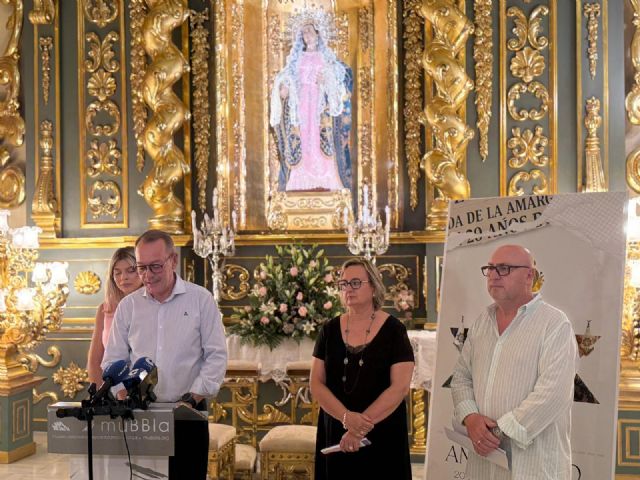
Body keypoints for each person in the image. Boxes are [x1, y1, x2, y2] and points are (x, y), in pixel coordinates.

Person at [102, 230, 227, 480]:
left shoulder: (201, 300)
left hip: (188, 413)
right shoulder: (129, 306)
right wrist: (123, 394)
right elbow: (113, 359)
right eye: (141, 267)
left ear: (173, 260)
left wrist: (192, 398)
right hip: (140, 415)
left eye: (155, 266)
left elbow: (216, 356)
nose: (147, 275)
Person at [451, 245, 577, 480]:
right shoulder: (482, 322)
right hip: (483, 462)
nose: (494, 275)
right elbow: (461, 378)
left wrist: (497, 432)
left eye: (504, 268)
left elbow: (552, 395)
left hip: (531, 465)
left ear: (529, 276)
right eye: (490, 268)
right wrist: (471, 418)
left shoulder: (554, 324)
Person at [310, 257, 414, 479]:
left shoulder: (395, 330)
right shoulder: (328, 330)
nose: (348, 288)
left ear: (374, 287)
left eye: (356, 283)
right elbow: (316, 383)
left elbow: (399, 387)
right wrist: (346, 418)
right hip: (336, 428)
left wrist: (359, 428)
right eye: (344, 283)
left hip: (382, 430)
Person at [269, 8, 352, 192]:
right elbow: (287, 77)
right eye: (304, 32)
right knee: (304, 136)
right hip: (302, 104)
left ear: (317, 33)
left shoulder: (325, 57)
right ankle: (301, 177)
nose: (306, 35)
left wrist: (326, 80)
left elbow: (339, 78)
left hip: (319, 103)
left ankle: (324, 176)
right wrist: (284, 87)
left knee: (319, 135)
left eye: (309, 31)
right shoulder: (297, 59)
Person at [87, 247, 142, 384]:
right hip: (113, 388)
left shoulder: (154, 305)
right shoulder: (105, 309)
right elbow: (94, 362)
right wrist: (101, 393)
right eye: (117, 273)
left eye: (131, 270)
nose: (124, 277)